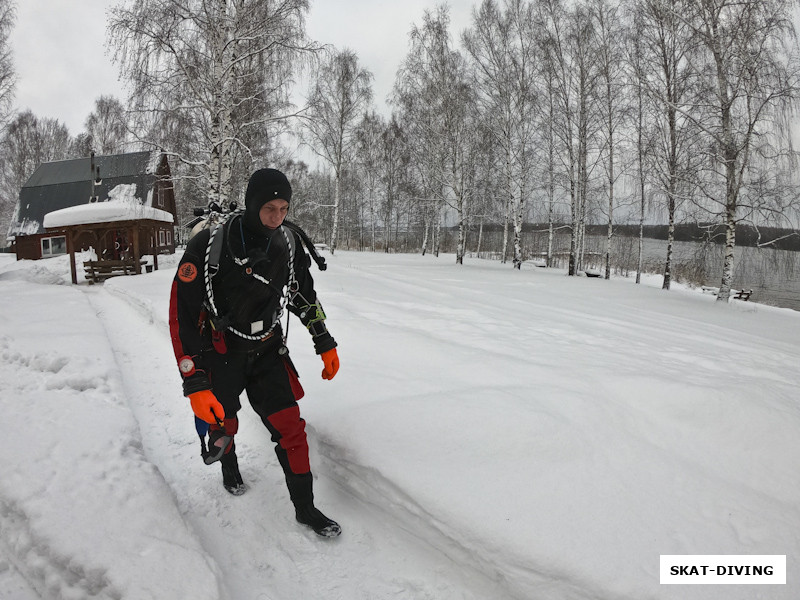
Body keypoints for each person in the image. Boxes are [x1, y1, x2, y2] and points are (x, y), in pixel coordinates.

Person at [168, 168, 341, 538]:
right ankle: (228, 466)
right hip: (221, 351)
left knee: (291, 429)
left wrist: (323, 341)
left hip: (267, 351)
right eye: (269, 209)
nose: (277, 217)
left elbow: (303, 295)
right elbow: (180, 317)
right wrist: (194, 381)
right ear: (251, 204)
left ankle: (305, 509)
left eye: (284, 208)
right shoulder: (209, 246)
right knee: (223, 424)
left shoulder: (289, 243)